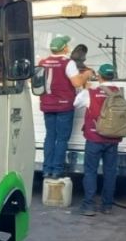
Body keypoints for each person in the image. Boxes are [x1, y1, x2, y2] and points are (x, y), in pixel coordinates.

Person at [39, 35, 94, 178]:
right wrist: (86, 74)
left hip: (47, 104)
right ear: (64, 48)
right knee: (62, 139)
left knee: (50, 136)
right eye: (67, 45)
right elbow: (76, 83)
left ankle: (46, 169)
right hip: (64, 106)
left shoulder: (42, 62)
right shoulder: (67, 63)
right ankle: (57, 170)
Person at [75, 63, 123, 216]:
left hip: (94, 138)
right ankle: (107, 206)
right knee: (110, 172)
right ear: (113, 76)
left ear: (99, 76)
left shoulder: (91, 92)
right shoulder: (120, 93)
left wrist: (84, 89)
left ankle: (88, 205)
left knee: (90, 171)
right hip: (113, 139)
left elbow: (76, 104)